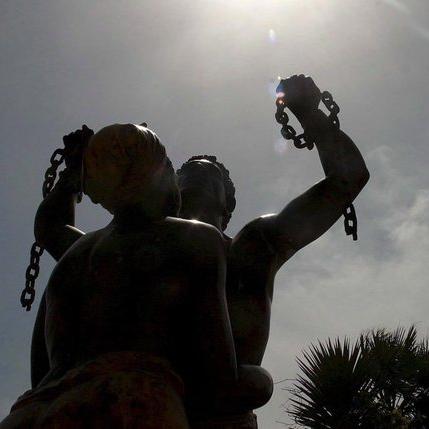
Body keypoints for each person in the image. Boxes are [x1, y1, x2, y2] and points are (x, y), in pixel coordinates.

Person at [29, 74, 370, 427]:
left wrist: (307, 111)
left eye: (209, 173)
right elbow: (51, 230)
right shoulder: (110, 246)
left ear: (228, 204)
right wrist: (75, 174)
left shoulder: (252, 246)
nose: (192, 173)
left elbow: (347, 179)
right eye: (183, 171)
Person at [1, 124, 271, 429]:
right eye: (175, 169)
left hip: (33, 409)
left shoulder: (79, 252)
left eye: (202, 175)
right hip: (130, 398)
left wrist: (74, 174)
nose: (186, 181)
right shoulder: (198, 240)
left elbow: (49, 226)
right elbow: (217, 380)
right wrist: (254, 381)